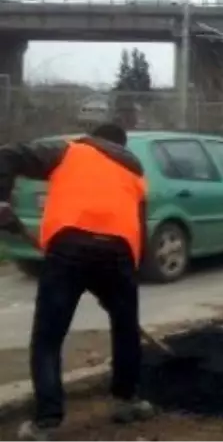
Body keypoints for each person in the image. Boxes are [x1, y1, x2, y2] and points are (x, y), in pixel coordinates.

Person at [0, 123, 157, 441]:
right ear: (123, 147)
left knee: (48, 338)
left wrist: (2, 202)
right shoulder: (135, 173)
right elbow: (139, 231)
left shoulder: (71, 151)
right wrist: (121, 284)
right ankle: (126, 401)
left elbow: (7, 155)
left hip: (68, 249)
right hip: (118, 254)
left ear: (94, 137)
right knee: (126, 328)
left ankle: (47, 422)